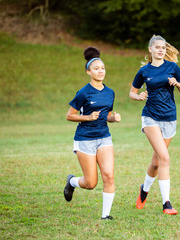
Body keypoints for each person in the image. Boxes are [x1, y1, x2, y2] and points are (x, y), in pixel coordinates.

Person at [129, 35, 180, 215]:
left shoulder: (173, 67)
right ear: (150, 50)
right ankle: (166, 203)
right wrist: (139, 97)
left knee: (156, 162)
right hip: (150, 117)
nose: (161, 50)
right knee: (165, 158)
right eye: (157, 47)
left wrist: (177, 84)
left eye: (163, 47)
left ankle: (144, 190)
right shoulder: (144, 71)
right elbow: (132, 92)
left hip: (169, 118)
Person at [63, 46, 121, 220]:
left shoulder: (110, 92)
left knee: (109, 176)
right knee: (90, 183)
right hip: (85, 139)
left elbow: (106, 116)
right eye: (96, 68)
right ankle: (72, 181)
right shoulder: (83, 93)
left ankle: (106, 215)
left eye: (102, 68)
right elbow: (69, 116)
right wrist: (88, 117)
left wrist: (113, 118)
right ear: (88, 71)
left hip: (104, 137)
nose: (100, 71)